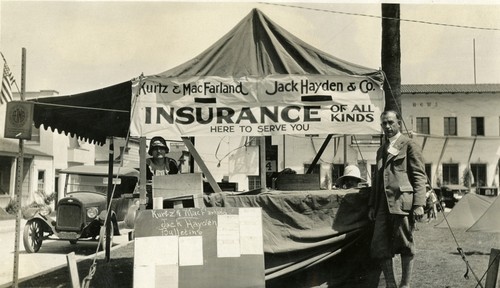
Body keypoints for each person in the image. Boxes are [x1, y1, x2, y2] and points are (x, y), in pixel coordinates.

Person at [368, 110, 427, 288]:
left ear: (398, 123)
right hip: (382, 206)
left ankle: (405, 285)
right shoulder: (381, 150)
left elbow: (419, 175)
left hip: (402, 203)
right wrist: (372, 205)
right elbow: (377, 180)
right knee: (381, 246)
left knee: (405, 244)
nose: (387, 126)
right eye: (384, 123)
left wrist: (418, 204)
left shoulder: (409, 145)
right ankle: (391, 285)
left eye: (390, 122)